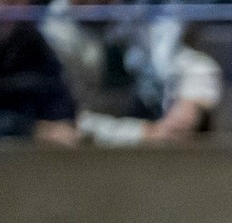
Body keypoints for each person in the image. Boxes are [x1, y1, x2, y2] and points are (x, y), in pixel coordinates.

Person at [42, 0, 221, 143]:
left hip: (152, 146)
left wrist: (188, 105)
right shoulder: (51, 31)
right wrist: (143, 133)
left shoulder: (131, 14)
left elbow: (192, 65)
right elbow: (65, 124)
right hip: (84, 159)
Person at [0, 9, 79, 143]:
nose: (9, 7)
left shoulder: (33, 42)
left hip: (31, 150)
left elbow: (57, 93)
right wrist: (32, 129)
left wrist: (62, 122)